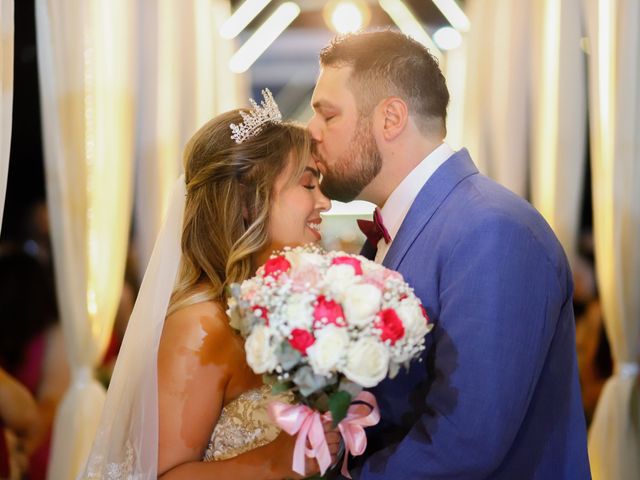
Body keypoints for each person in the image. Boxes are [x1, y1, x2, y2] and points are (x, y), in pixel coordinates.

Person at [308, 31, 590, 479]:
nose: (311, 131)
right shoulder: (399, 228)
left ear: (391, 117)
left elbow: (467, 439)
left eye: (328, 114)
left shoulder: (491, 229)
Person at [83, 91, 339, 479]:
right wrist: (276, 463)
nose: (325, 203)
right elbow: (158, 474)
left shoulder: (279, 313)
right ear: (249, 201)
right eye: (308, 185)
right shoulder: (201, 325)